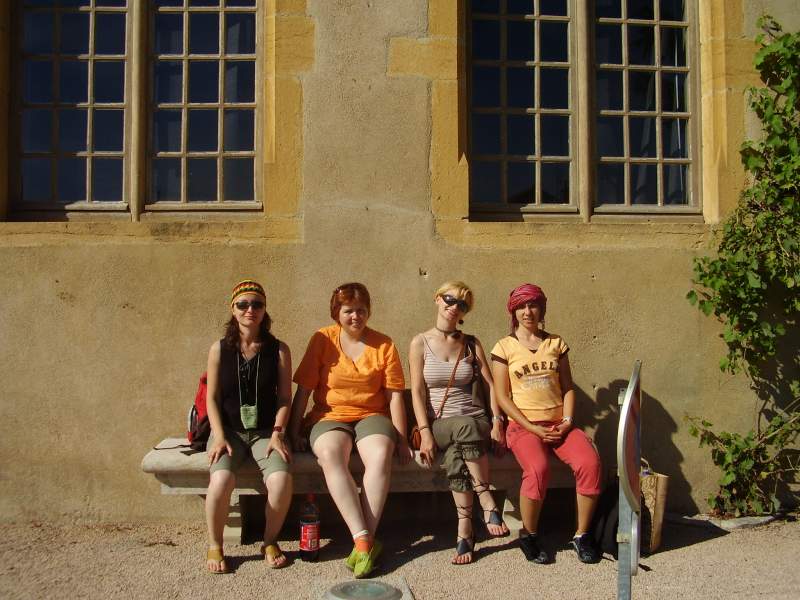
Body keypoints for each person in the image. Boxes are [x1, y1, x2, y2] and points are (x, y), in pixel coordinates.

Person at [288, 282, 411, 578]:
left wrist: (402, 439)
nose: (355, 316)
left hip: (372, 414)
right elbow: (304, 390)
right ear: (336, 313)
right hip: (329, 415)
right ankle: (364, 539)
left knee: (380, 454)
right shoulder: (322, 340)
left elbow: (394, 397)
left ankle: (363, 543)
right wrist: (292, 432)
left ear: (368, 311)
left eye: (361, 310)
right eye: (348, 311)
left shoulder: (384, 344)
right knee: (330, 453)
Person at [490, 283, 602, 564]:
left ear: (542, 309)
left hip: (558, 425)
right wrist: (531, 428)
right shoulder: (504, 347)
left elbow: (568, 388)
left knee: (590, 462)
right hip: (523, 426)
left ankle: (582, 535)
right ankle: (528, 534)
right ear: (513, 311)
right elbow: (502, 397)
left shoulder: (556, 343)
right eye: (521, 306)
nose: (527, 312)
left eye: (533, 305)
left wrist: (567, 421)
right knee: (538, 469)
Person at [409, 281, 510, 565]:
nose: (454, 307)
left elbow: (490, 386)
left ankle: (464, 530)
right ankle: (486, 499)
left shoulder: (471, 343)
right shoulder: (419, 343)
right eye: (450, 299)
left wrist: (497, 422)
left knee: (456, 453)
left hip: (476, 421)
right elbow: (417, 392)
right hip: (439, 424)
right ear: (437, 299)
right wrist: (425, 432)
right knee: (461, 429)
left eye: (462, 304)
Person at [204, 280, 293, 573]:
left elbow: (284, 398)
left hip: (266, 432)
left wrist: (278, 433)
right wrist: (218, 436)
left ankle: (269, 541)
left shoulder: (278, 350)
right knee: (220, 480)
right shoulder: (219, 349)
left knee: (281, 480)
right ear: (233, 309)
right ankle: (215, 545)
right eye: (243, 304)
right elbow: (212, 398)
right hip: (228, 432)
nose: (250, 310)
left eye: (257, 304)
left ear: (265, 309)